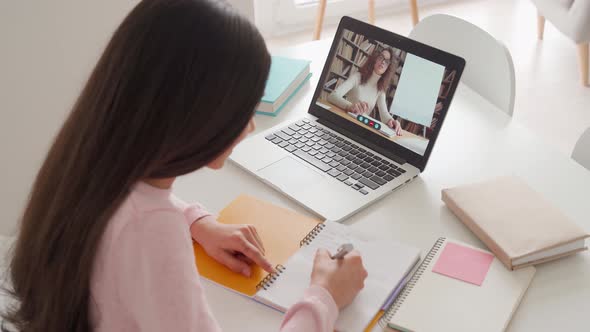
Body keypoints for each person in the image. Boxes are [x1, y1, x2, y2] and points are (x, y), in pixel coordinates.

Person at [1, 1, 368, 331]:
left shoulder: (87, 159)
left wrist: (196, 221)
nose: (250, 127)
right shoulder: (152, 232)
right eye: (244, 111)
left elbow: (131, 209)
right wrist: (324, 297)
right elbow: (143, 226)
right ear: (199, 113)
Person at [328, 47, 403, 135]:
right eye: (381, 57)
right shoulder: (357, 77)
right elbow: (332, 96)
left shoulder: (380, 89)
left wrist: (392, 121)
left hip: (360, 130)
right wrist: (350, 106)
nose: (383, 62)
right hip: (345, 123)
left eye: (387, 61)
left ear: (388, 68)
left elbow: (384, 114)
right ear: (375, 59)